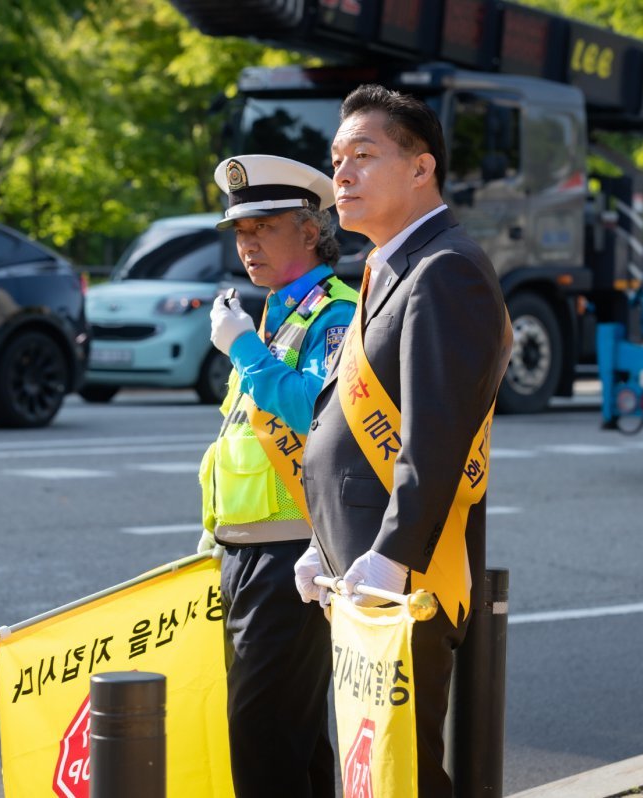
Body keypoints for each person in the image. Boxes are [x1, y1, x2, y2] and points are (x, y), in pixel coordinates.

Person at [293, 84, 512, 796]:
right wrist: (321, 542)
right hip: (361, 568)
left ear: (422, 169)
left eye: (363, 155)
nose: (342, 176)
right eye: (336, 159)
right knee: (375, 768)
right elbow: (353, 432)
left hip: (405, 577)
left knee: (405, 772)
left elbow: (435, 436)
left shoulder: (445, 269)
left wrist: (390, 558)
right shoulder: (390, 265)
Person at [197, 153, 358, 798]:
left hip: (296, 551)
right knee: (293, 739)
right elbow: (236, 438)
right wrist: (212, 533)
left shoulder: (336, 312)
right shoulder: (268, 312)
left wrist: (243, 350)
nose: (248, 243)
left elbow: (323, 411)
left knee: (262, 739)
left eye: (264, 226)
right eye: (240, 231)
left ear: (312, 229)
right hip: (247, 551)